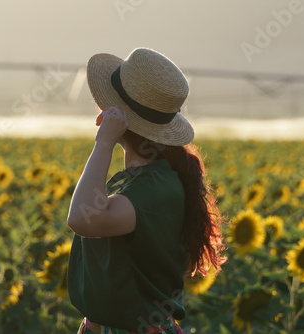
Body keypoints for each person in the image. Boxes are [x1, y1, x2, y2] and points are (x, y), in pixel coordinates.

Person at [67, 47, 226, 334]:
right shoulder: (154, 178)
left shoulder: (153, 189)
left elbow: (81, 219)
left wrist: (103, 144)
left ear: (119, 118)